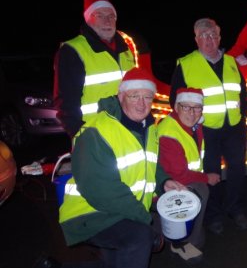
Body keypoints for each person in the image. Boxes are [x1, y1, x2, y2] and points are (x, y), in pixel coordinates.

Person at [56, 67, 186, 268]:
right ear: (121, 95)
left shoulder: (148, 128)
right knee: (139, 238)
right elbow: (101, 190)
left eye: (148, 97)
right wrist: (144, 218)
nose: (142, 104)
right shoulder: (97, 131)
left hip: (119, 210)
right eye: (135, 96)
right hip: (91, 212)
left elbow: (149, 163)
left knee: (116, 262)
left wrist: (164, 181)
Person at [170, 18, 247, 235]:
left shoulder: (232, 62)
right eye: (203, 35)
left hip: (233, 127)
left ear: (219, 37)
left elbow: (242, 94)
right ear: (196, 39)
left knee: (237, 170)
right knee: (210, 172)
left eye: (213, 34)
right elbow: (174, 102)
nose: (209, 39)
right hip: (205, 130)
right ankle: (213, 215)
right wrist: (190, 126)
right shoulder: (185, 64)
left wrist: (242, 119)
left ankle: (235, 208)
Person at [53, 0, 136, 138]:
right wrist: (81, 136)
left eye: (111, 16)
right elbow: (65, 104)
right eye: (100, 15)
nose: (107, 21)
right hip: (93, 135)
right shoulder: (73, 51)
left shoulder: (126, 50)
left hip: (126, 131)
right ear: (88, 19)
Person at [157, 87, 221, 263]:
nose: (192, 113)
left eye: (197, 108)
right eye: (186, 107)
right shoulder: (170, 133)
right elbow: (180, 175)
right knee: (201, 190)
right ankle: (180, 242)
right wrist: (206, 178)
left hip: (177, 179)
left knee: (200, 189)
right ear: (176, 107)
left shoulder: (193, 125)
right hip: (164, 185)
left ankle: (189, 231)